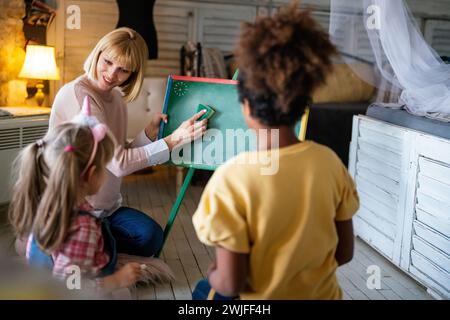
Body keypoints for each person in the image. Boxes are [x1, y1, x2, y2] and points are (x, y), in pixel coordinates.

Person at [191, 3, 359, 300]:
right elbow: (344, 254)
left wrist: (212, 272)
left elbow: (230, 283)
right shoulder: (330, 163)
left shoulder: (230, 179)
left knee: (204, 290)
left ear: (245, 107)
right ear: (303, 105)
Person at [48, 27, 207, 258]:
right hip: (70, 209)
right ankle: (84, 243)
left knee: (151, 237)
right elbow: (120, 164)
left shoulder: (116, 99)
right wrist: (173, 141)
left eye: (123, 70)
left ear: (133, 74)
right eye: (108, 62)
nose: (112, 74)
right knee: (131, 243)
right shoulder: (79, 95)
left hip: (107, 210)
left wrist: (148, 134)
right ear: (98, 52)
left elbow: (119, 155)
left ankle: (92, 244)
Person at [8, 99, 160, 295]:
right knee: (124, 293)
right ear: (91, 174)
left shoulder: (44, 206)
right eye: (105, 167)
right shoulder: (82, 226)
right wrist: (117, 280)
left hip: (42, 285)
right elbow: (69, 288)